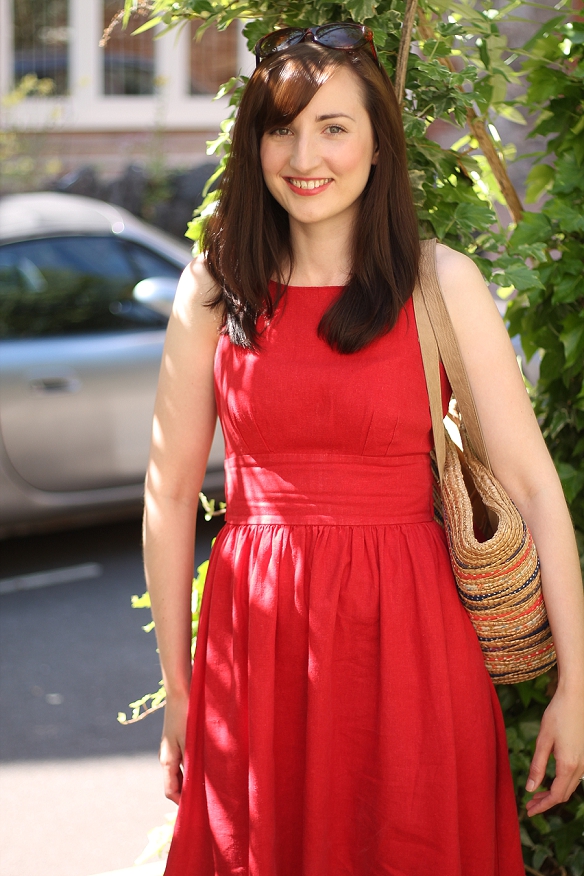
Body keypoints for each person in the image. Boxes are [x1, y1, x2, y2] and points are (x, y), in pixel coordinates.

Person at [143, 23, 584, 876]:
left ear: (379, 145)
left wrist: (577, 683)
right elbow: (166, 495)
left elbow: (532, 487)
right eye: (281, 127)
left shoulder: (440, 281)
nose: (304, 154)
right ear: (255, 143)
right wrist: (182, 689)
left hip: (414, 651)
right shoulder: (216, 283)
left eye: (334, 126)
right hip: (254, 654)